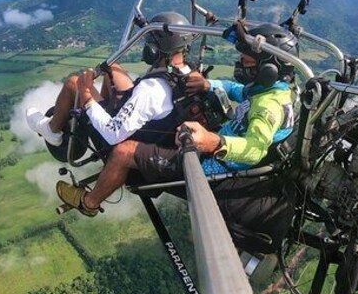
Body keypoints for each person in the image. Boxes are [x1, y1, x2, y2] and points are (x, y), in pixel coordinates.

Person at [57, 22, 300, 252]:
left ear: (268, 70)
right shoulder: (272, 91)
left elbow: (256, 148)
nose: (241, 65)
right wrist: (208, 84)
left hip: (212, 167)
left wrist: (214, 142)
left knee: (124, 152)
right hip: (216, 150)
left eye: (247, 62)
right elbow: (239, 90)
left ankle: (88, 203)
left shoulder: (267, 107)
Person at [26, 12, 195, 216]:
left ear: (155, 49)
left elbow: (113, 133)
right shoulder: (188, 73)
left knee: (74, 84)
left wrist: (87, 96)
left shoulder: (151, 89)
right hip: (153, 132)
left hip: (124, 140)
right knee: (111, 68)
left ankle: (51, 131)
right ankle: (101, 108)